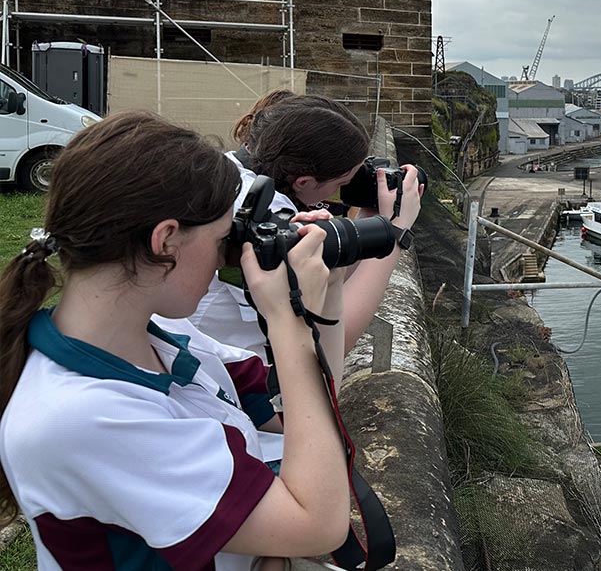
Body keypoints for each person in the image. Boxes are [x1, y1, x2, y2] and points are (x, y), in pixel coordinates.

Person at [0, 112, 349, 569]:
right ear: (165, 240)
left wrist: (330, 290)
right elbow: (318, 523)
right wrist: (287, 322)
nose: (230, 258)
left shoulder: (165, 337)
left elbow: (303, 416)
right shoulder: (79, 417)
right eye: (225, 239)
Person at [188, 94, 423, 358]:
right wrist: (395, 232)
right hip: (234, 378)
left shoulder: (230, 172)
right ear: (304, 182)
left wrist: (370, 222)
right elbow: (328, 342)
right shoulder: (267, 221)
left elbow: (322, 277)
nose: (340, 192)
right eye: (340, 184)